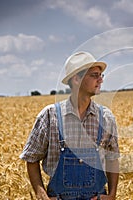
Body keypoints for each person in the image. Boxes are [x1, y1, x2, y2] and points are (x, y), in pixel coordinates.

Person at [20, 51, 120, 200]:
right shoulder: (49, 116)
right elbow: (31, 158)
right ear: (76, 79)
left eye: (101, 75)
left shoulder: (106, 118)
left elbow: (112, 159)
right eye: (94, 75)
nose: (100, 80)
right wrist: (42, 195)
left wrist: (112, 195)